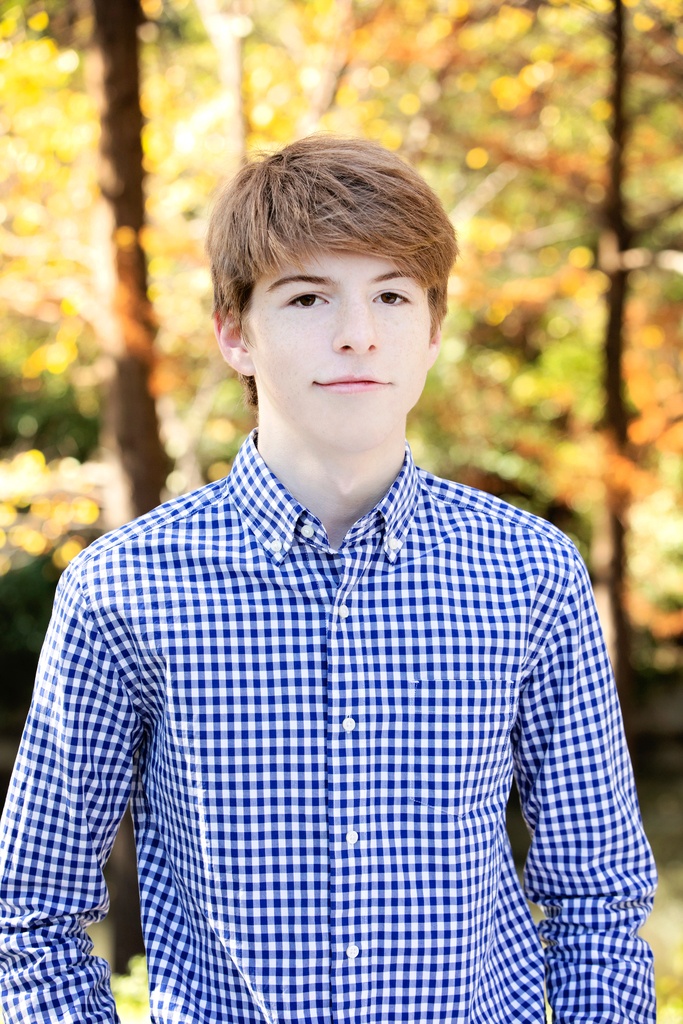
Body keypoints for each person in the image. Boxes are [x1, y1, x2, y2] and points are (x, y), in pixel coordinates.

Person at [0, 134, 656, 1024]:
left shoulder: (529, 573)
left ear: (431, 334)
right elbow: (31, 915)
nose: (358, 332)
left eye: (391, 295)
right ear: (235, 333)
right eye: (309, 297)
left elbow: (599, 901)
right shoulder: (124, 589)